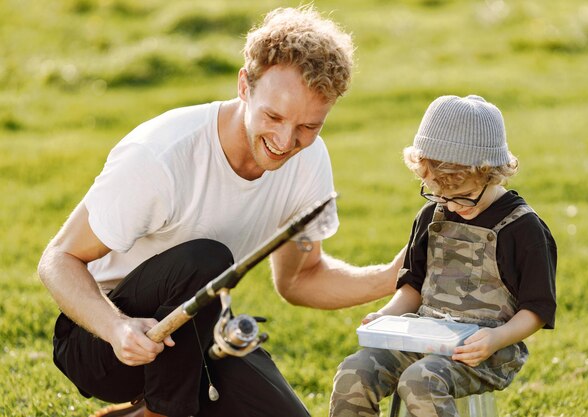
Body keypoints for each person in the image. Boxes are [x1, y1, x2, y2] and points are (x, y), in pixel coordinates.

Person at [38, 6, 404, 417]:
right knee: (207, 259)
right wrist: (116, 326)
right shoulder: (160, 156)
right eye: (274, 116)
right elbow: (58, 259)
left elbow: (301, 278)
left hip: (196, 336)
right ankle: (161, 412)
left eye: (308, 126)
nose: (286, 141)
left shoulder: (309, 162)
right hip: (104, 343)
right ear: (245, 86)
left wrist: (392, 276)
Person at [329, 95, 557, 417]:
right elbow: (412, 286)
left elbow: (537, 309)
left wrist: (495, 338)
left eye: (462, 196)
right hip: (424, 337)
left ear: (491, 174)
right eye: (437, 193)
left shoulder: (524, 230)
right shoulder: (432, 217)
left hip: (485, 351)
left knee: (421, 381)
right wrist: (387, 316)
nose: (449, 206)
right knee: (355, 372)